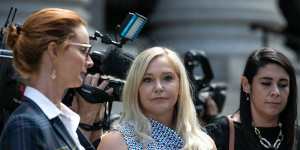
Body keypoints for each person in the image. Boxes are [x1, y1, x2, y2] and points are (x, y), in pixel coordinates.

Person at [0, 8, 95, 150]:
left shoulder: (62, 119)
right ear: (54, 51)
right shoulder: (25, 125)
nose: (90, 62)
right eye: (83, 50)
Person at [98, 47, 216, 150]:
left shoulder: (205, 144)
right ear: (135, 89)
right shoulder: (115, 143)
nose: (158, 87)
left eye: (167, 78)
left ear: (180, 86)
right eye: (147, 80)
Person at [206, 48, 299, 150]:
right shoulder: (219, 134)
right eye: (266, 83)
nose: (276, 92)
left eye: (283, 85)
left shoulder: (296, 137)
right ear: (246, 85)